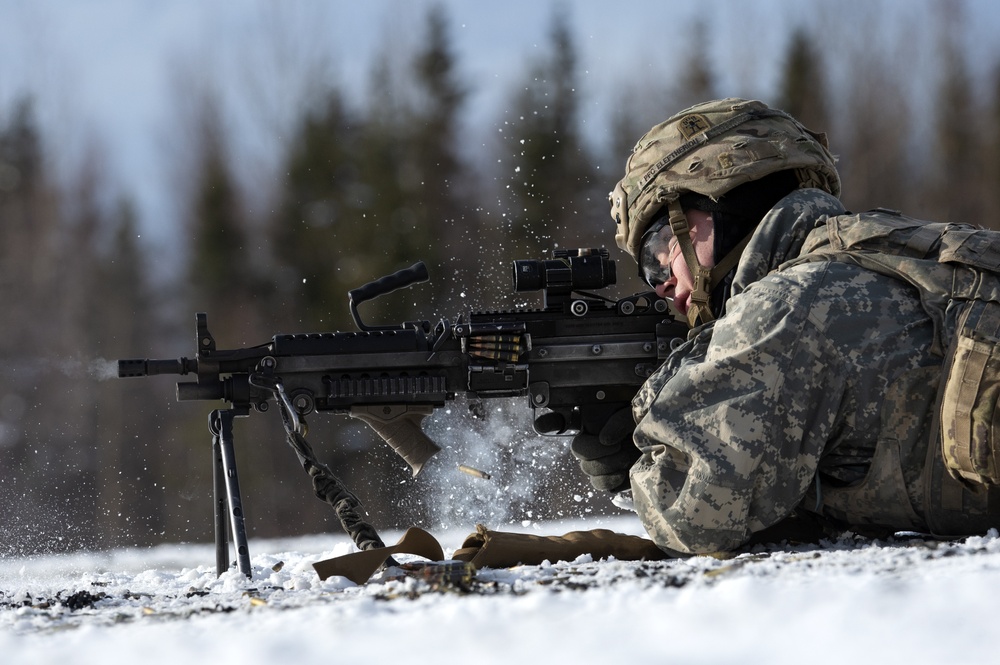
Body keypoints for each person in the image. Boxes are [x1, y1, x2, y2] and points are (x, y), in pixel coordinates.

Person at [572, 97, 1000, 556]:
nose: (660, 284)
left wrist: (636, 464)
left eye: (660, 249)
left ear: (720, 197)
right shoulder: (885, 255)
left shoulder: (785, 307)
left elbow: (696, 514)